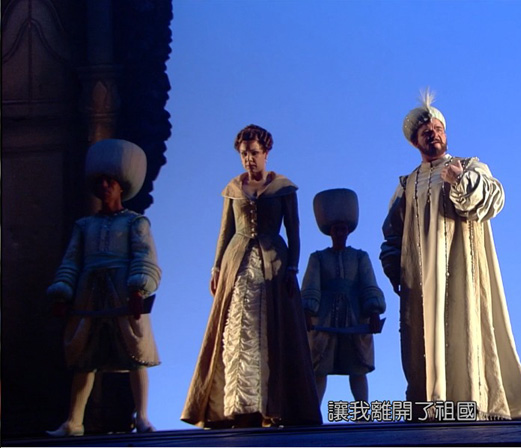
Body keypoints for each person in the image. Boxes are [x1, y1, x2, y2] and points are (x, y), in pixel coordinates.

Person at [380, 89, 521, 421]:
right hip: (421, 278)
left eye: (438, 129)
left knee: (465, 328)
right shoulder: (407, 184)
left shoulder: (469, 166)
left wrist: (460, 181)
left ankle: (473, 401)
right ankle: (432, 406)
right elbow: (392, 232)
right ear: (415, 141)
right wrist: (395, 269)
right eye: (425, 131)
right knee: (422, 339)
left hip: (463, 271)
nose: (433, 134)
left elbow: (494, 199)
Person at [181, 124, 321, 428]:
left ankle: (275, 405)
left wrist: (292, 267)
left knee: (273, 329)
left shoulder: (283, 188)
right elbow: (225, 232)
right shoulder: (233, 189)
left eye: (254, 153)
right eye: (244, 154)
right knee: (238, 330)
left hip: (274, 265)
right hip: (237, 264)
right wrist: (216, 268)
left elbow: (294, 232)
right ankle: (237, 406)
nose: (249, 159)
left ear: (266, 153)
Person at [46, 139, 161, 436]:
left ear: (121, 185)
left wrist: (139, 288)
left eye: (110, 181)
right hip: (89, 293)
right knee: (85, 358)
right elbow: (72, 260)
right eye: (101, 182)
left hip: (123, 291)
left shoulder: (135, 223)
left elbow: (144, 256)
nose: (105, 186)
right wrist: (62, 292)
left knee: (136, 354)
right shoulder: (84, 225)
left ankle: (142, 417)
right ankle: (74, 421)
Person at [301, 188, 386, 406]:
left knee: (358, 367)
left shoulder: (359, 257)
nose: (339, 233)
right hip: (325, 318)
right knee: (319, 367)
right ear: (330, 232)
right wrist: (307, 312)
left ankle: (362, 412)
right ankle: (313, 412)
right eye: (336, 229)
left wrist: (374, 311)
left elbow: (369, 284)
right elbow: (311, 285)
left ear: (348, 231)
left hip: (355, 317)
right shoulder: (318, 258)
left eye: (343, 229)